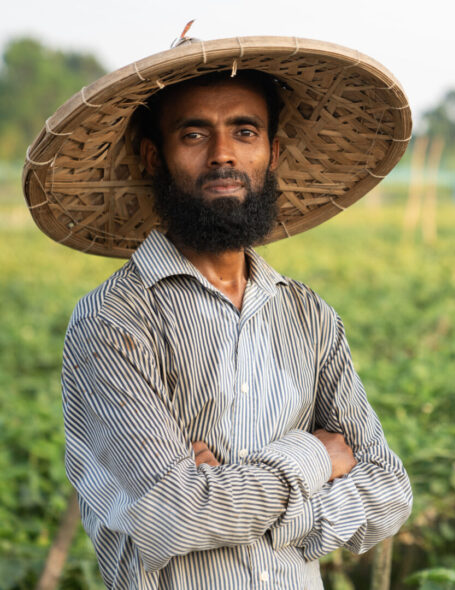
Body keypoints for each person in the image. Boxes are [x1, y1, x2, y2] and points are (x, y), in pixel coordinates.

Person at [24, 36, 413, 589]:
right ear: (154, 156)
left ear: (271, 153)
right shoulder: (114, 322)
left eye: (244, 131)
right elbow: (173, 513)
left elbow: (390, 489)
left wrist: (232, 494)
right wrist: (312, 457)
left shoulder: (308, 317)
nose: (223, 153)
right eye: (194, 134)